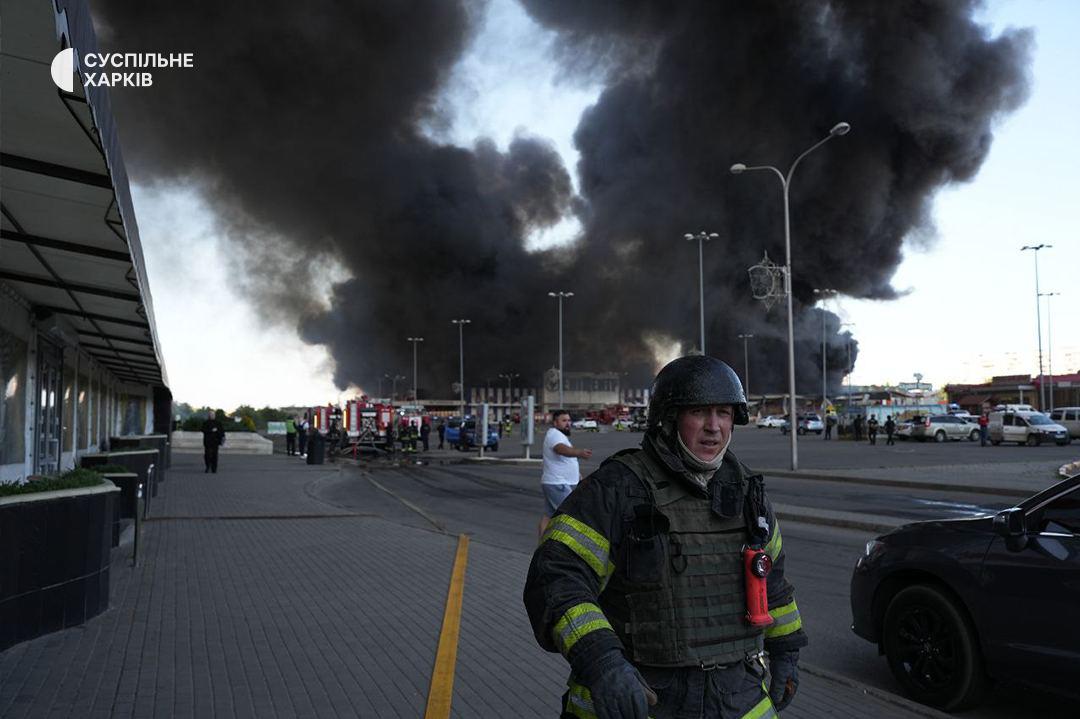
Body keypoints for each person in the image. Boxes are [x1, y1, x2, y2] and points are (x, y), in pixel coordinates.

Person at [524, 356, 806, 719]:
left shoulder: (748, 494)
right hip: (642, 697)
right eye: (699, 412)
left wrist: (786, 651)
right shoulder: (617, 490)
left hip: (739, 696)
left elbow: (774, 584)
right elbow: (557, 578)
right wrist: (601, 661)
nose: (714, 427)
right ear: (669, 418)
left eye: (723, 412)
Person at [538, 409, 593, 539]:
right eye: (564, 420)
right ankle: (567, 548)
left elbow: (564, 459)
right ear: (555, 422)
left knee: (549, 515)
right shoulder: (554, 434)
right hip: (558, 483)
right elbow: (560, 449)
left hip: (556, 482)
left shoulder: (557, 435)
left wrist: (577, 475)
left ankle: (541, 547)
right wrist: (579, 453)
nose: (567, 423)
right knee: (572, 514)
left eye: (569, 420)